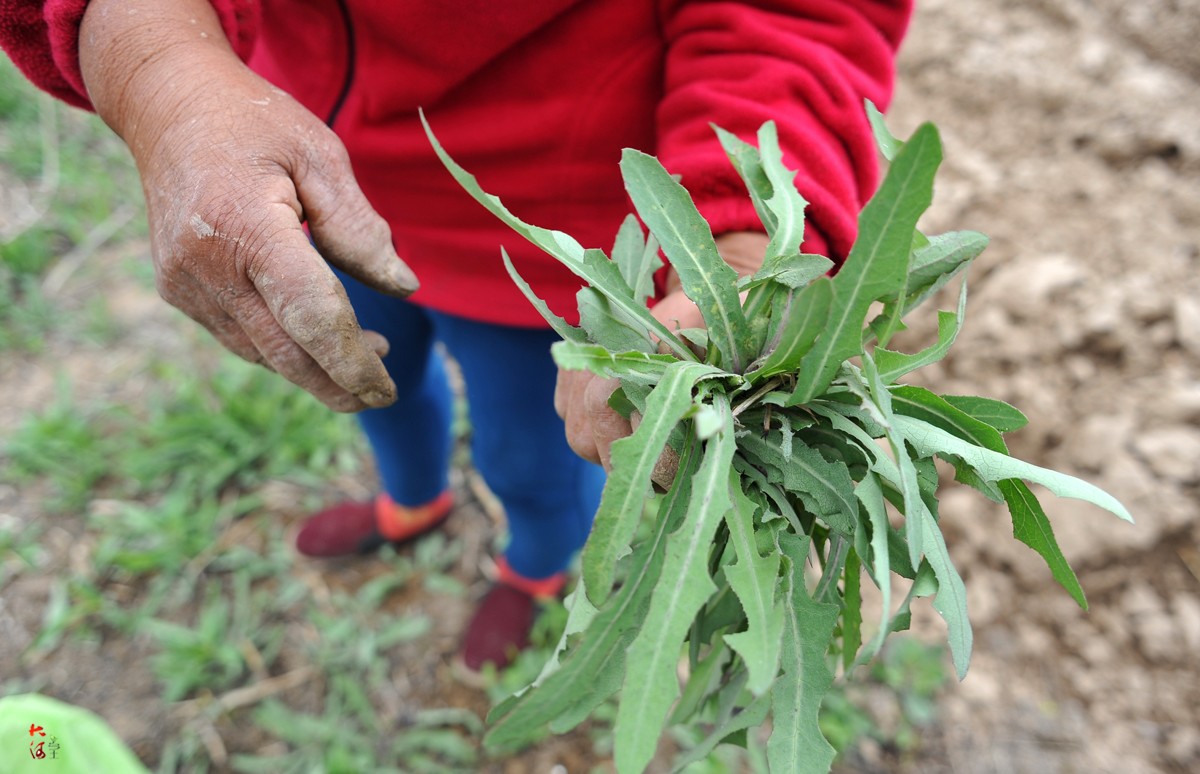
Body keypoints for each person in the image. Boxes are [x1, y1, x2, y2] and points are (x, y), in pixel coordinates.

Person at [0, 0, 913, 672]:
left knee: (534, 453)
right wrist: (163, 72)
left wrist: (741, 249)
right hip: (318, 185)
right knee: (375, 392)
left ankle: (535, 571)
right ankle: (413, 504)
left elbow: (794, 16)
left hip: (546, 241)